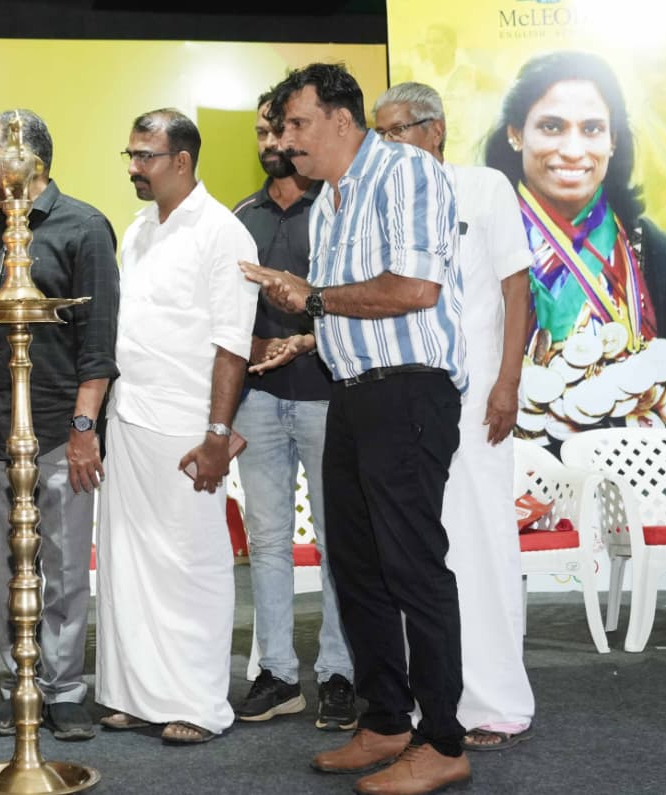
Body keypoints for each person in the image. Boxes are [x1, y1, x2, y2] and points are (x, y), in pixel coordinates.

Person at [241, 63, 469, 795]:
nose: (285, 141)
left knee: (412, 567)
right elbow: (348, 306)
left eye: (297, 124)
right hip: (350, 393)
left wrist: (312, 297)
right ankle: (386, 718)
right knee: (357, 567)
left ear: (342, 119)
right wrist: (307, 329)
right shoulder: (332, 200)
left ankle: (443, 738)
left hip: (409, 393)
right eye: (281, 126)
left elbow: (414, 289)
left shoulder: (405, 171)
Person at [375, 82, 537, 752]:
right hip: (407, 401)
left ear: (435, 129)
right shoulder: (382, 199)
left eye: (397, 130)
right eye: (379, 134)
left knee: (481, 543)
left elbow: (516, 289)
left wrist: (507, 383)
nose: (386, 144)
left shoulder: (485, 187)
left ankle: (494, 701)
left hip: (477, 404)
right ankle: (432, 699)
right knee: (418, 552)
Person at [95, 108, 258, 745]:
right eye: (130, 155)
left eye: (146, 156)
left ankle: (198, 702)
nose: (133, 168)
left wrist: (218, 433)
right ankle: (137, 697)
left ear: (182, 161)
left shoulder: (223, 233)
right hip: (129, 417)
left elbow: (232, 345)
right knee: (129, 566)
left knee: (193, 566)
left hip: (189, 427)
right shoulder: (137, 229)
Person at [0, 109, 120, 742]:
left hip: (62, 426)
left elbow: (100, 341)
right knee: (9, 567)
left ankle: (62, 689)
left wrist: (85, 426)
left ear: (24, 160)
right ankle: (20, 686)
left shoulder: (84, 227)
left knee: (60, 568)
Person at [230, 89, 357, 732]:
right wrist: (253, 346)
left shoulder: (337, 207)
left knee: (339, 542)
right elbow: (222, 313)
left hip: (329, 396)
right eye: (262, 132)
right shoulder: (239, 218)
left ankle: (339, 673)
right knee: (268, 541)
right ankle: (277, 673)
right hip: (256, 399)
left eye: (282, 130)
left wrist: (306, 337)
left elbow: (356, 297)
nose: (273, 143)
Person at [483, 51, 666, 445]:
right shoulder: (474, 245)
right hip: (509, 465)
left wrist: (661, 392)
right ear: (516, 133)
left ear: (613, 141)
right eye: (552, 126)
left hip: (632, 466)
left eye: (592, 129)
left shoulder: (661, 255)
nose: (573, 150)